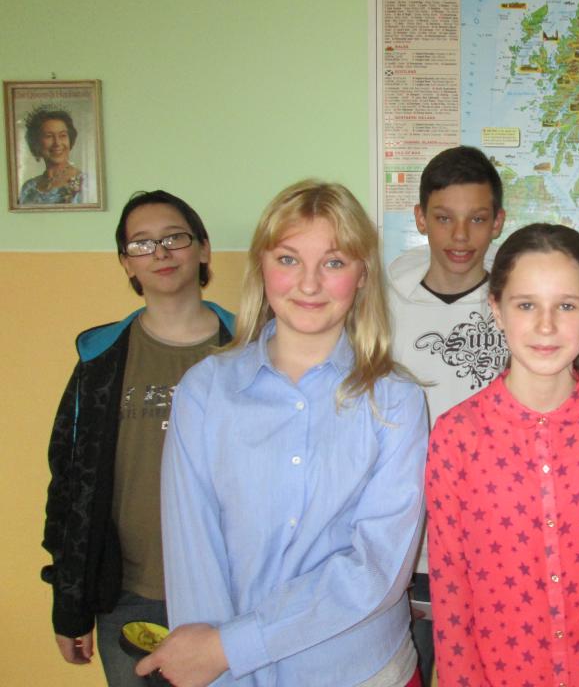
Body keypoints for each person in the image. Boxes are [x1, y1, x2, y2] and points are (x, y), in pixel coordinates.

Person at [138, 180, 429, 687]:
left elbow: (377, 568)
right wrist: (218, 661)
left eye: (334, 262)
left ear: (362, 275)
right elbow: (193, 554)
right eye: (289, 259)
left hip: (362, 671)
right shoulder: (205, 391)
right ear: (263, 266)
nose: (309, 285)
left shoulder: (395, 400)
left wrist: (234, 646)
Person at [427, 223, 579, 686]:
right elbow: (451, 598)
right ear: (496, 310)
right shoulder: (457, 437)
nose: (546, 326)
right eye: (526, 305)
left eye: (566, 306)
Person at [41, 190, 234, 686]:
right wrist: (69, 603)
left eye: (174, 238)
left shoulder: (250, 348)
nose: (161, 253)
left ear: (203, 249)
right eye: (142, 244)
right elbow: (70, 483)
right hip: (128, 594)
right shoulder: (100, 358)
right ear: (127, 263)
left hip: (233, 590)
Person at [386, 145, 507, 679]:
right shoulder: (380, 305)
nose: (461, 236)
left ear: (498, 222)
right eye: (443, 218)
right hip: (405, 549)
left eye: (477, 219)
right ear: (420, 219)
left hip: (493, 544)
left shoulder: (516, 306)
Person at [19, 107, 90, 205]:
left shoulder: (85, 183)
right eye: (49, 136)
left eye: (62, 135)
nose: (57, 143)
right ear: (36, 143)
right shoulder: (28, 188)